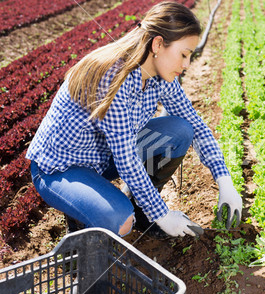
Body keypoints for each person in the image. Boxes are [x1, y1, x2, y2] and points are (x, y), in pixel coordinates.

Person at [26, 1, 242, 238]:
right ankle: (81, 230)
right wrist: (164, 215)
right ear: (158, 44)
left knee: (180, 130)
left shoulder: (160, 77)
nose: (186, 64)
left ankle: (144, 215)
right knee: (119, 219)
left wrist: (224, 181)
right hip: (61, 168)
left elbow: (196, 125)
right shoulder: (114, 79)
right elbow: (126, 159)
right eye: (183, 54)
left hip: (102, 157)